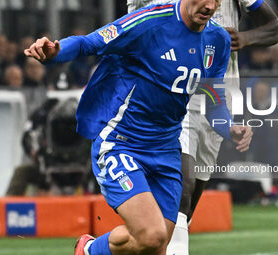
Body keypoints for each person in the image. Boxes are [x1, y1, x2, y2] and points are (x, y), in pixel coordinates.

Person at [25, 0, 250, 254]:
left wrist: (230, 128)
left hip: (166, 152)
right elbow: (89, 42)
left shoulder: (217, 40)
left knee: (154, 245)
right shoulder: (149, 22)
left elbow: (214, 98)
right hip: (122, 144)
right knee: (152, 235)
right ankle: (89, 250)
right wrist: (55, 52)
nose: (210, 5)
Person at [128, 0, 278, 254]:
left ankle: (101, 248)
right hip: (175, 92)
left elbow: (273, 27)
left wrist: (245, 37)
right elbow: (133, 33)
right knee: (182, 184)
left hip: (218, 97)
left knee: (189, 201)